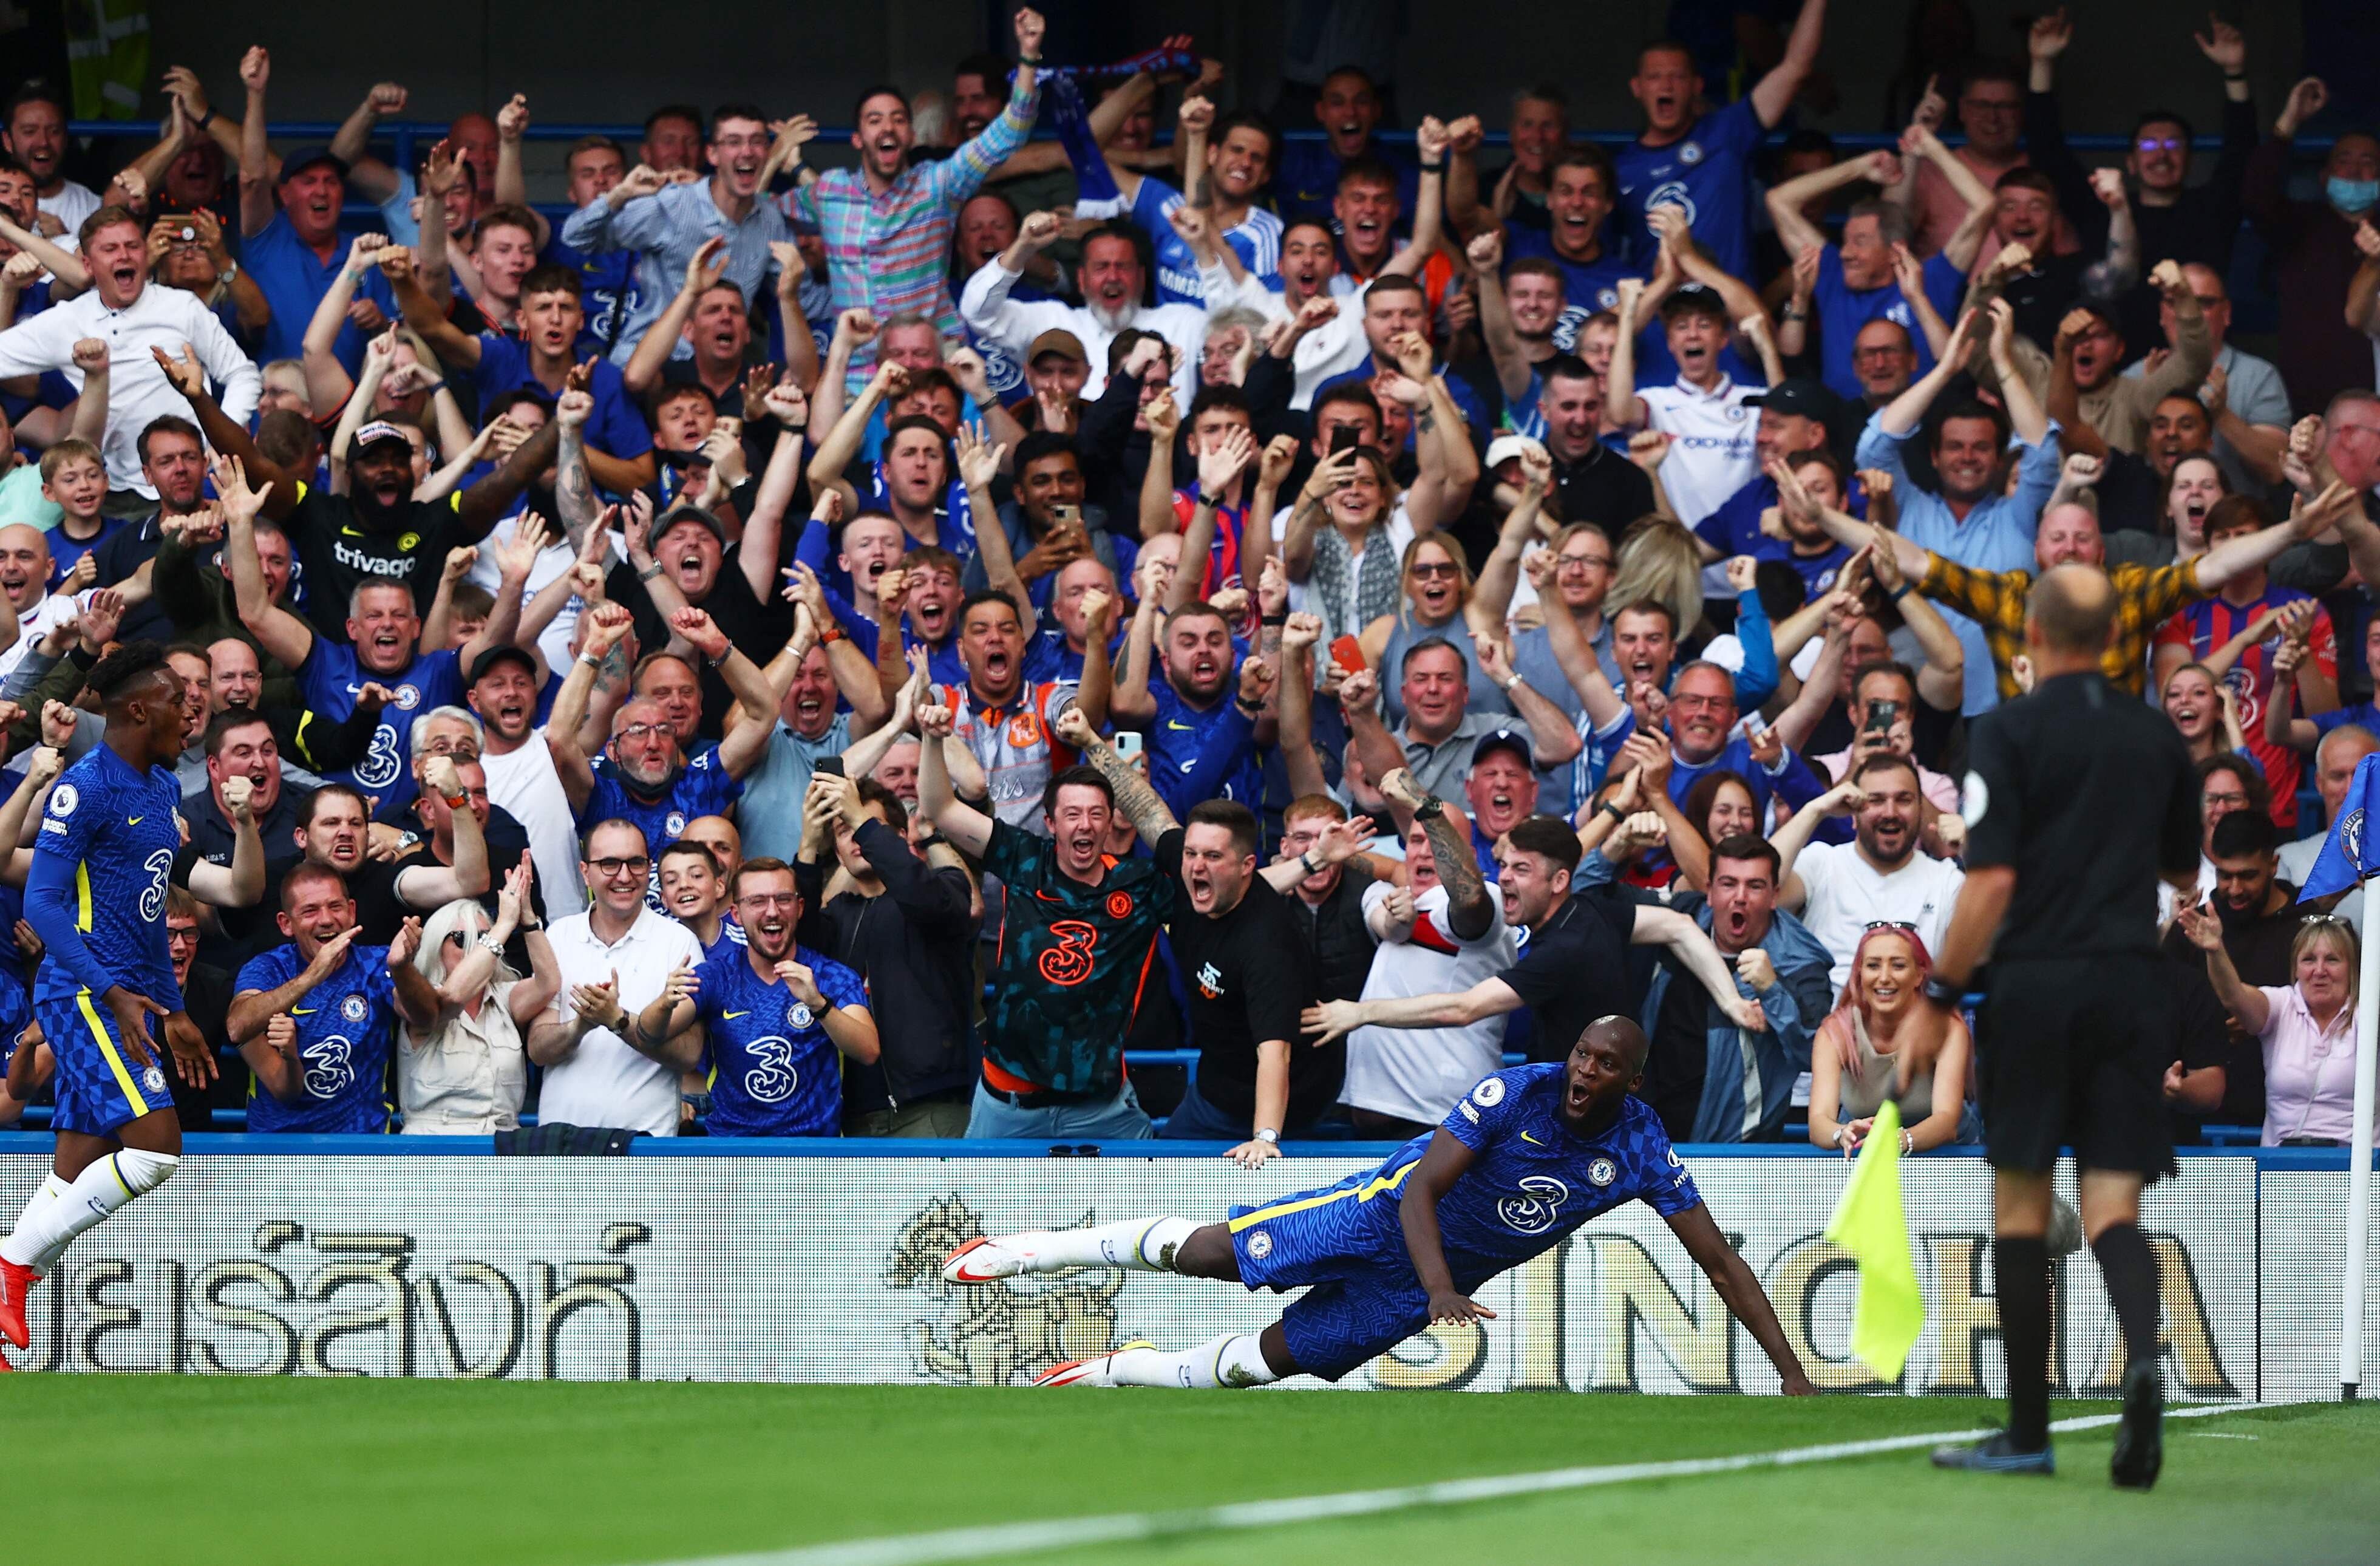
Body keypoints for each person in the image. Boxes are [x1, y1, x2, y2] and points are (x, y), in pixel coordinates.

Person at [941, 1015, 1817, 1395]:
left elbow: (1720, 1260)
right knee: (1207, 1253)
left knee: (1255, 1367)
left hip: (1421, 1287)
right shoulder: (1517, 1088)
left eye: (1605, 1065)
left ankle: (1118, 1368)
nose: (1586, 1072)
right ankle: (1037, 1249)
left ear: (1631, 1077)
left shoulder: (1638, 1146)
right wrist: (1442, 1288)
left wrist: (1788, 1367)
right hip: (1382, 1215)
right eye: (1583, 1054)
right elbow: (1426, 1187)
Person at [1904, 563, 2199, 1485]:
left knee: (2022, 1209)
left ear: (2031, 631)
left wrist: (1942, 993)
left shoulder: (2008, 729)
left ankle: (2029, 1432)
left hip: (2035, 987)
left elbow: (1990, 881)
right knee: (2114, 1208)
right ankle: (2143, 1358)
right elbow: (2183, 872)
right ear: (2116, 633)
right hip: (2128, 983)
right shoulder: (2158, 735)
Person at [0, 643, 212, 1357]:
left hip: (126, 992)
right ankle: (11, 1264)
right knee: (156, 1152)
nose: (191, 708)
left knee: (72, 1168)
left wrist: (171, 1005)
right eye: (178, 696)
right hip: (82, 990)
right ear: (136, 708)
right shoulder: (83, 788)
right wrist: (115, 991)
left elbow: (149, 911)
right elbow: (45, 904)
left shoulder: (161, 790)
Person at [919, 689, 1172, 1138]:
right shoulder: (1023, 857)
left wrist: (1094, 742)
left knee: (1146, 1207)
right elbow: (941, 808)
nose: (1086, 824)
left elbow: (1167, 833)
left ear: (1112, 819)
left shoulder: (1139, 885)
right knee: (974, 1211)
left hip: (1103, 1110)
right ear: (1051, 823)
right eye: (1072, 813)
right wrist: (932, 741)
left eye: (1097, 813)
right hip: (1009, 1106)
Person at [794, 9, 1046, 386]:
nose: (888, 127)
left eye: (898, 118)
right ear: (858, 139)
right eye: (875, 120)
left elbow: (1009, 133)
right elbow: (759, 210)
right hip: (860, 374)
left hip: (934, 369)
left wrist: (1028, 56)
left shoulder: (938, 184)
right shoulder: (830, 191)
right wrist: (782, 161)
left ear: (912, 135)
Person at [0, 208, 261, 502]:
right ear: (88, 264)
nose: (124, 256)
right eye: (110, 249)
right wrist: (5, 288)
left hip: (197, 480)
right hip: (118, 493)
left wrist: (223, 436)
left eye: (133, 246)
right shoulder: (68, 320)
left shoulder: (181, 307)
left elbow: (242, 373)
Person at [631, 856, 878, 1138]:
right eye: (757, 901)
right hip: (733, 1158)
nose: (772, 912)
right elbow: (649, 1033)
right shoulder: (717, 975)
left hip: (813, 1158)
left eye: (783, 899)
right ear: (736, 914)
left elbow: (868, 1051)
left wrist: (819, 1006)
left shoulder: (830, 975)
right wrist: (664, 1003)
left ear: (799, 908)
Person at [792, 771, 977, 1137]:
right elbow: (794, 931)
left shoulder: (945, 886)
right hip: (855, 1111)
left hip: (931, 1107)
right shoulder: (836, 917)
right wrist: (809, 845)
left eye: (866, 827)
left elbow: (921, 895)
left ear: (900, 836)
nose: (856, 838)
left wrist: (858, 817)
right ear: (839, 853)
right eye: (844, 832)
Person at [557, 104, 791, 367]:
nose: (747, 151)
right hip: (654, 366)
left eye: (757, 142)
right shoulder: (672, 205)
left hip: (719, 369)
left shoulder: (771, 219)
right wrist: (619, 194)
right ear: (712, 154)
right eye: (734, 142)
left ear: (767, 153)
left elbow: (805, 299)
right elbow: (576, 238)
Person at [1614, 7, 1831, 281]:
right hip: (1661, 319)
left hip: (1731, 314)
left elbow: (1795, 67)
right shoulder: (1622, 169)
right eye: (1655, 77)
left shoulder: (1727, 133)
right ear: (1637, 88)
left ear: (1697, 86)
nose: (1666, 87)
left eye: (1678, 77)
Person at [527, 819, 707, 1137]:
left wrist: (618, 1021)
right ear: (585, 872)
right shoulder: (558, 936)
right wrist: (580, 1026)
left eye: (636, 863)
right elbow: (538, 1049)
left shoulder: (679, 941)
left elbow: (689, 1053)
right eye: (609, 864)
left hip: (644, 1146)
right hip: (559, 1143)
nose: (624, 876)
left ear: (649, 868)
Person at [226, 864, 437, 1133]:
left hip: (362, 1148)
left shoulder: (377, 963)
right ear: (286, 924)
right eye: (310, 911)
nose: (326, 920)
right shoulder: (268, 968)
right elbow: (238, 1026)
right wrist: (313, 975)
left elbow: (427, 1017)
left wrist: (402, 968)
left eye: (335, 907)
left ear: (351, 912)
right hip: (277, 1148)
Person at [2179, 903, 2371, 1149]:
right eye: (2309, 960)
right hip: (2280, 1167)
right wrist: (2216, 951)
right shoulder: (2281, 1005)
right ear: (2296, 968)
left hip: (2356, 1171)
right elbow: (2233, 996)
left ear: (2353, 968)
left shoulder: (2369, 1014)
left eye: (2332, 960)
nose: (2319, 970)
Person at [1773, 757, 1966, 997]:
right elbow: (1759, 887)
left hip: (1919, 1029)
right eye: (1875, 800)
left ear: (1920, 811)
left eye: (1904, 800)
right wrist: (1816, 810)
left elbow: (1990, 946)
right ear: (1852, 814)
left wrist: (1975, 850)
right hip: (1831, 1029)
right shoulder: (1822, 863)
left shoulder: (1946, 879)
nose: (1890, 812)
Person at [2244, 77, 2379, 415]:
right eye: (2344, 161)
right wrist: (2289, 121)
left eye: (2368, 163)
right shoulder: (2300, 223)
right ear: (2324, 176)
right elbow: (2255, 196)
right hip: (2308, 396)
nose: (2355, 171)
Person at [399, 863, 557, 1135]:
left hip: (502, 1151)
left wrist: (527, 919)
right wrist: (504, 924)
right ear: (437, 946)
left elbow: (549, 983)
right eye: (462, 938)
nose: (475, 947)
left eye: (483, 937)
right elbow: (451, 998)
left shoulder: (505, 997)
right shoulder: (418, 993)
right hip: (434, 1155)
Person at [1807, 922, 1973, 1156]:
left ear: (1919, 975)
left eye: (1898, 966)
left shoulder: (1947, 1029)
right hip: (1867, 1153)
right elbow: (1818, 1122)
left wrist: (1900, 1140)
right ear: (1860, 974)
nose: (1884, 978)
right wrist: (1841, 1134)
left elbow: (1946, 1121)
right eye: (1873, 966)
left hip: (1951, 1155)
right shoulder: (1835, 1031)